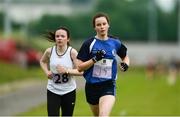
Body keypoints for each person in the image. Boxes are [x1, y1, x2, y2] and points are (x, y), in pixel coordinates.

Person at [77, 12, 130, 116]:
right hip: (91, 86)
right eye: (98, 25)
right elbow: (79, 67)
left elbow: (125, 56)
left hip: (108, 84)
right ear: (94, 27)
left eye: (104, 24)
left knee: (103, 115)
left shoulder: (115, 42)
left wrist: (126, 64)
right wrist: (95, 59)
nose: (102, 27)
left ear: (108, 25)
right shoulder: (89, 43)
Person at [39, 26, 82, 116]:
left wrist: (67, 71)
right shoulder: (49, 51)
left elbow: (81, 71)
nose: (59, 38)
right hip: (53, 90)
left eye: (62, 36)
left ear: (68, 39)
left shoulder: (72, 52)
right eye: (57, 36)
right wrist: (47, 72)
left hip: (69, 91)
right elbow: (42, 61)